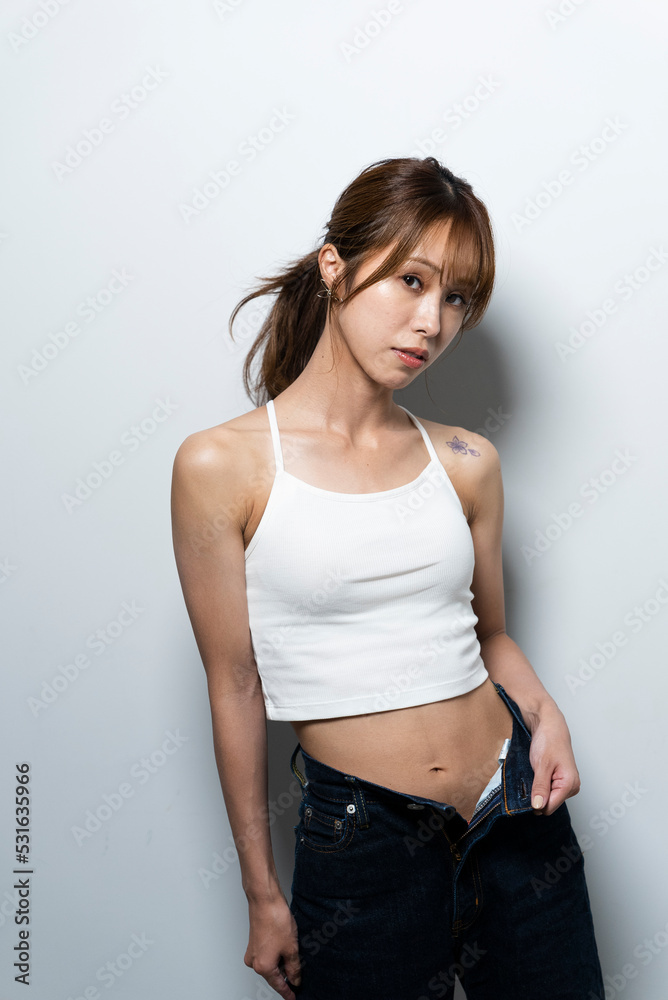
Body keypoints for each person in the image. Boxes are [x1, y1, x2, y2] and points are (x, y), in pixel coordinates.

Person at [170, 156, 605, 1000]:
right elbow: (234, 683)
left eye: (456, 298)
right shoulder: (221, 465)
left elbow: (490, 636)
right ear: (335, 265)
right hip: (363, 845)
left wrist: (546, 717)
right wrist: (261, 894)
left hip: (518, 815)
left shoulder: (467, 461)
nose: (431, 322)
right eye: (412, 280)